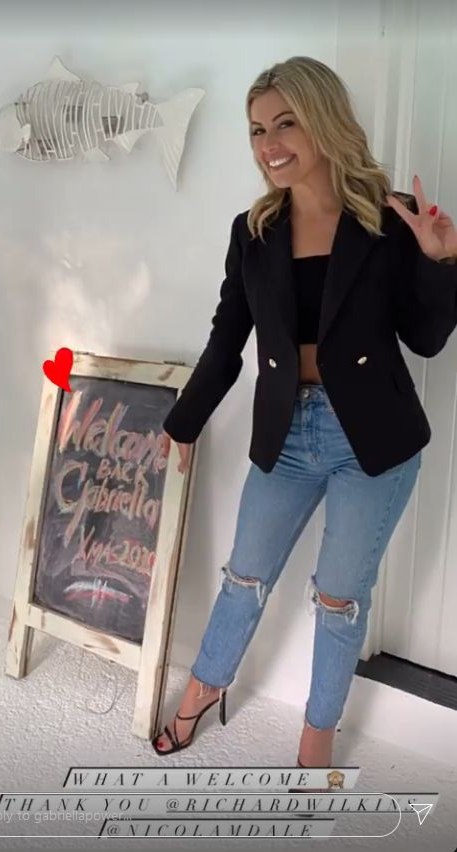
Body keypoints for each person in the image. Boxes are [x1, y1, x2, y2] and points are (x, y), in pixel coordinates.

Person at [151, 56, 457, 767]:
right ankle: (205, 686)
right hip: (286, 435)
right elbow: (227, 338)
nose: (269, 144)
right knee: (244, 577)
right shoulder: (253, 230)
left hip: (371, 442)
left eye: (285, 123)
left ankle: (318, 733)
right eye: (258, 130)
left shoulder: (386, 219)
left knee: (340, 599)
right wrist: (184, 421)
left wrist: (440, 262)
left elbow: (425, 340)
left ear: (324, 120)